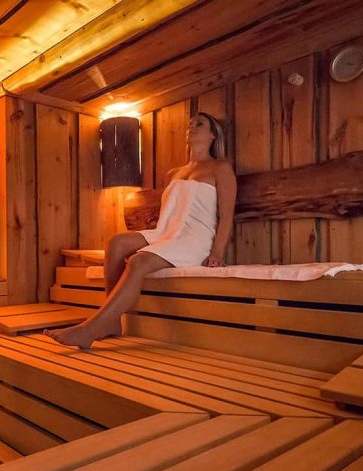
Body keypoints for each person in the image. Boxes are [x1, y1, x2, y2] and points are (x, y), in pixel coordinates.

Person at [44, 112, 236, 349]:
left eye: (199, 124)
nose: (191, 128)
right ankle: (111, 320)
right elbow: (171, 214)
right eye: (189, 124)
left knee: (138, 261)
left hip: (196, 239)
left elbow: (227, 216)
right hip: (167, 232)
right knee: (116, 243)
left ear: (213, 135)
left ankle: (90, 329)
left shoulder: (221, 168)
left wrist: (217, 252)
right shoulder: (174, 173)